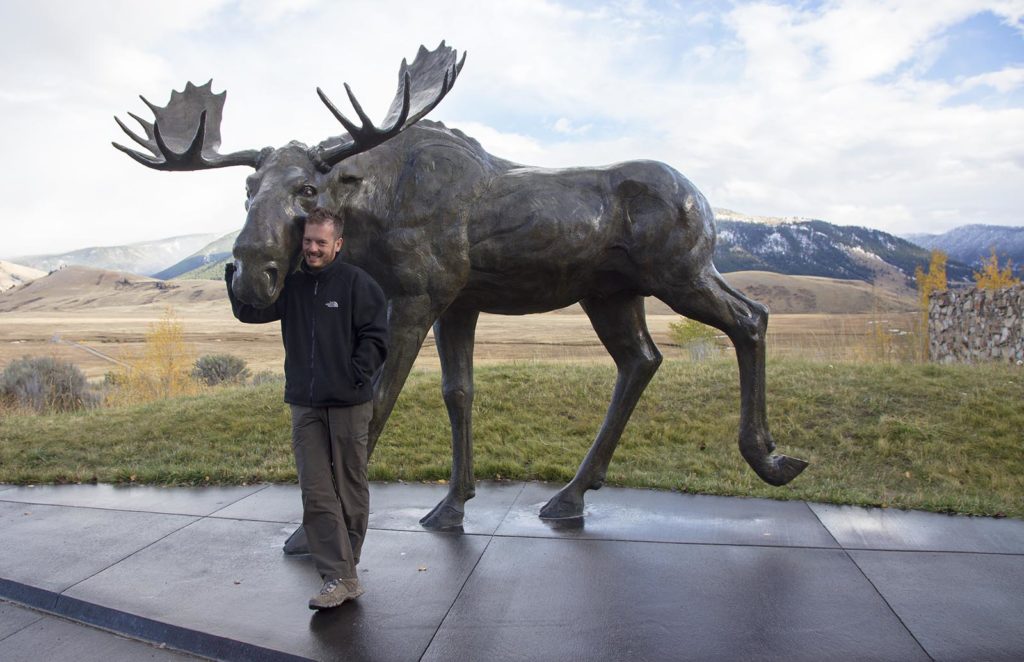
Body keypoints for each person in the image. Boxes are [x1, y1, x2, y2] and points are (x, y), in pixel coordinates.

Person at [225, 207, 388, 610]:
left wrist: (355, 374)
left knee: (350, 490)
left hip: (349, 403)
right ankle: (340, 576)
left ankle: (347, 569)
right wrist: (235, 275)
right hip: (305, 403)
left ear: (337, 245)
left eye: (320, 242)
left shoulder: (357, 284)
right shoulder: (293, 286)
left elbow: (377, 336)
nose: (313, 249)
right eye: (308, 241)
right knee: (316, 493)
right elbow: (250, 311)